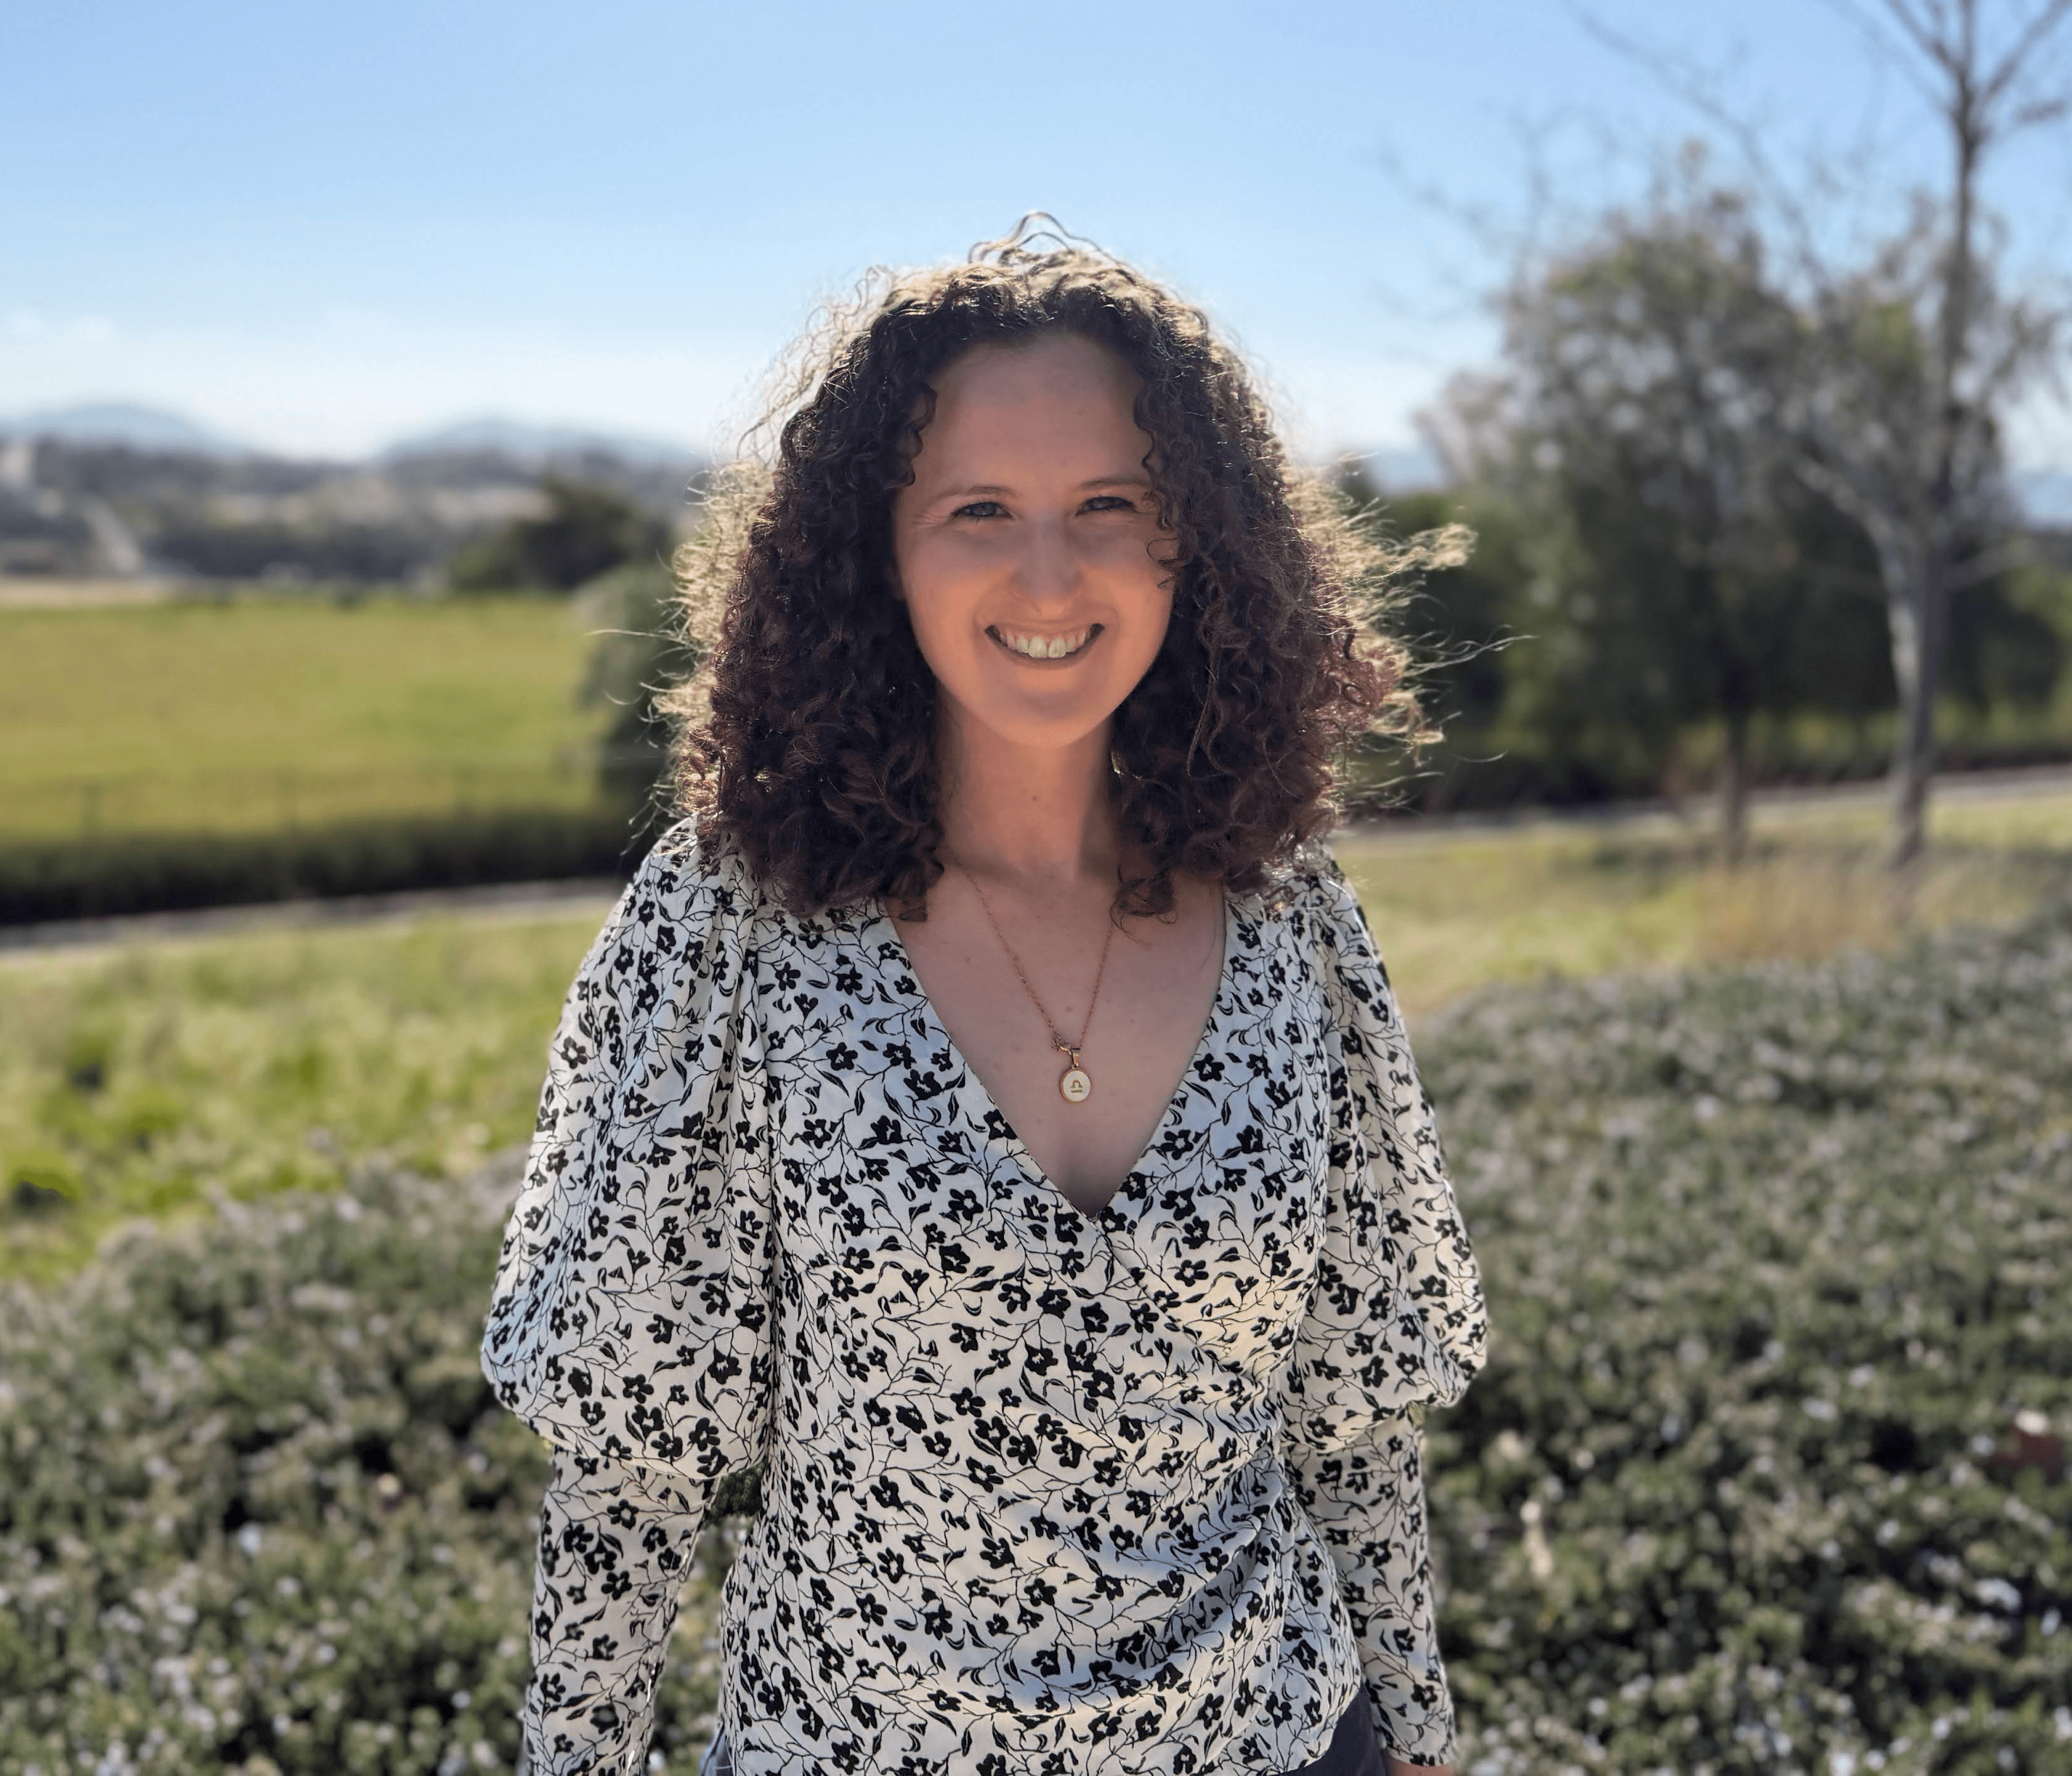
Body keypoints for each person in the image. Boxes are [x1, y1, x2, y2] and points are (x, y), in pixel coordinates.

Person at [481, 220, 1489, 1776]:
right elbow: (629, 1470)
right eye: (976, 510)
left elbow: (1347, 1414)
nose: (1046, 571)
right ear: (874, 552)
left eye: (1108, 504)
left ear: (1190, 542)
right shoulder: (735, 922)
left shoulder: (1292, 917)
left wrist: (1419, 1731)